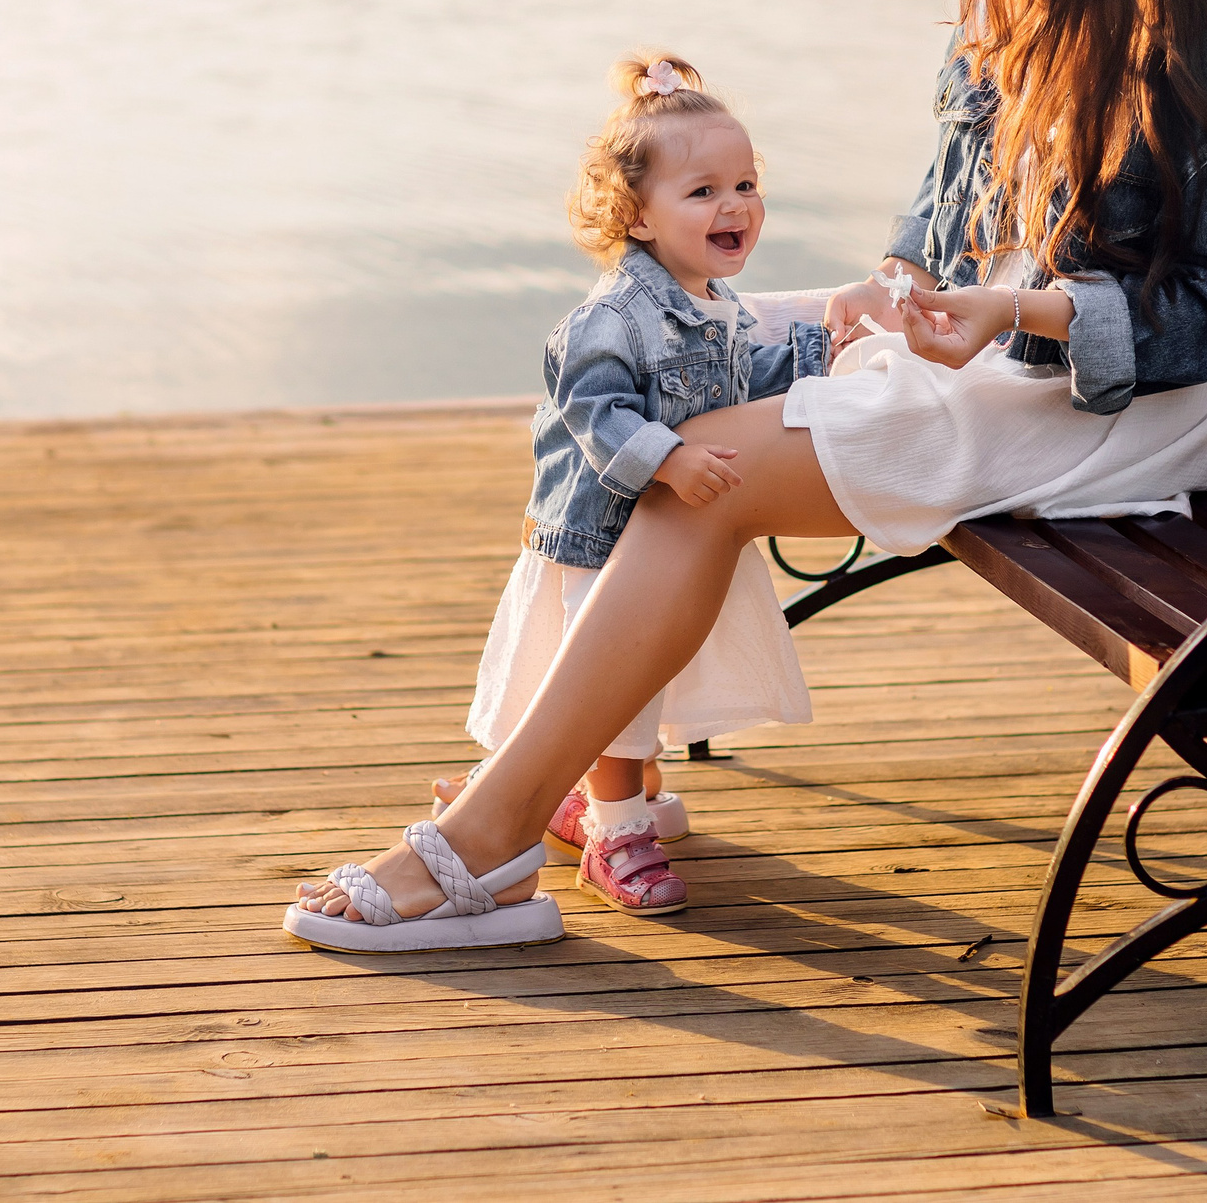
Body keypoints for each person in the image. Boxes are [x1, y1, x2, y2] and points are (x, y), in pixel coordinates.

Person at [287, 0, 1207, 948]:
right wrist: (900, 280)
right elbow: (949, 207)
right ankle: (585, 782)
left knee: (709, 469)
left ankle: (493, 841)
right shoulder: (1029, 9)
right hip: (995, 348)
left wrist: (1022, 313)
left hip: (1124, 413)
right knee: (652, 360)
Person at [283, 52, 829, 952]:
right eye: (702, 192)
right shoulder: (609, 317)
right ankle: (616, 831)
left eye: (746, 184)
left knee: (648, 685)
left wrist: (822, 346)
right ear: (635, 212)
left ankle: (596, 795)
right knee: (619, 698)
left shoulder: (715, 301)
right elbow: (593, 411)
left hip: (672, 533)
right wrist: (665, 459)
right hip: (602, 541)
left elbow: (743, 369)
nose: (733, 207)